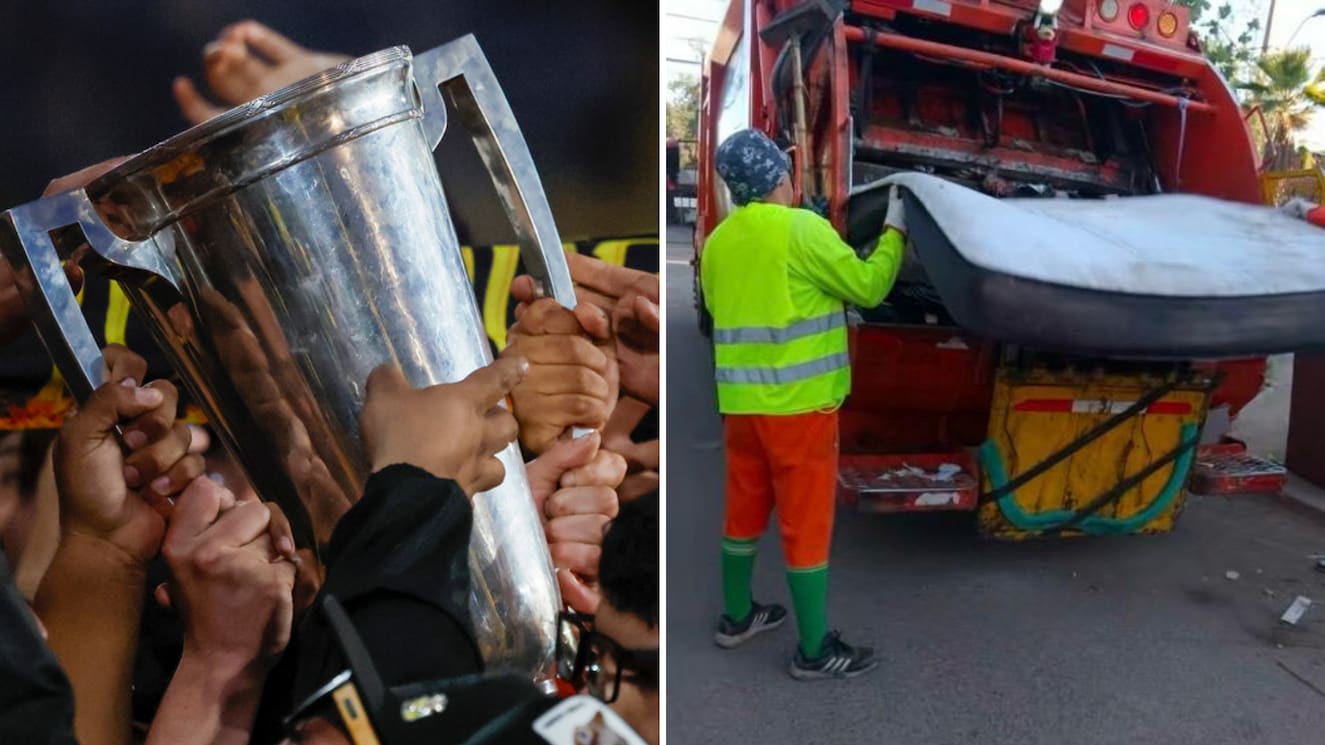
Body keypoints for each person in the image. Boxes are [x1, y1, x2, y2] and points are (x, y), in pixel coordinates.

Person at [700, 128, 904, 680]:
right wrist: (895, 233)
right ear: (779, 179)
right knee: (805, 525)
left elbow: (721, 306)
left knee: (743, 512)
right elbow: (867, 287)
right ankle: (814, 650)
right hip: (801, 410)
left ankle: (737, 617)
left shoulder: (718, 242)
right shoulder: (802, 229)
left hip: (742, 409)